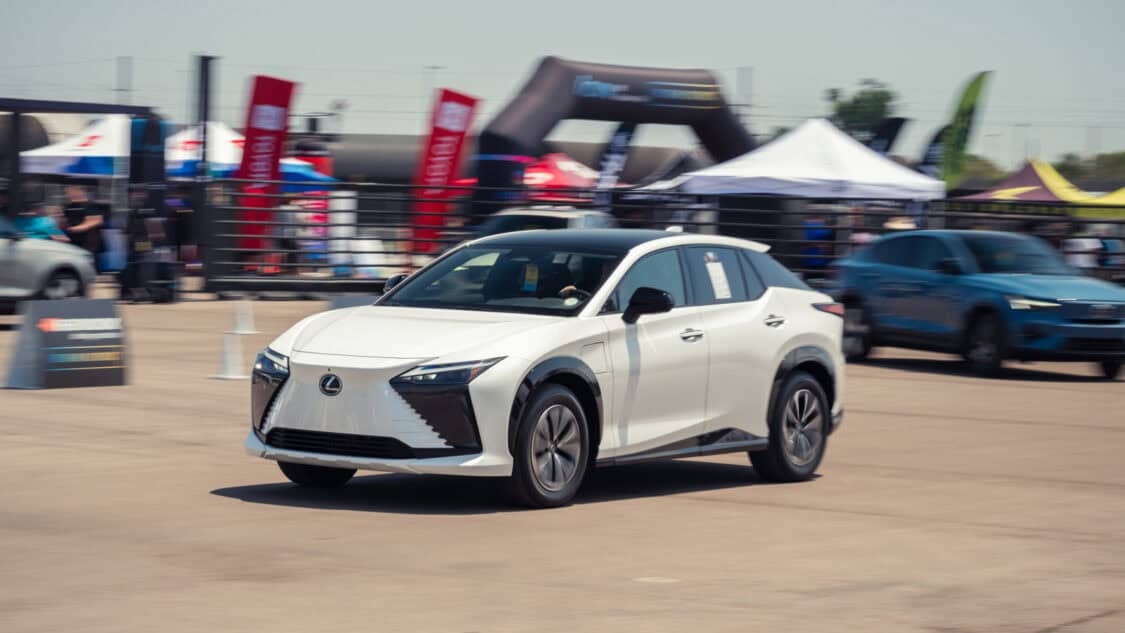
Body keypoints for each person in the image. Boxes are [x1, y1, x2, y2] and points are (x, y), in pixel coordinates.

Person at [61, 184, 103, 256]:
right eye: (67, 191)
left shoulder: (90, 205)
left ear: (80, 191)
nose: (68, 193)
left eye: (71, 190)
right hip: (72, 241)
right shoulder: (68, 206)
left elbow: (96, 221)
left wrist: (77, 228)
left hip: (88, 242)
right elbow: (65, 221)